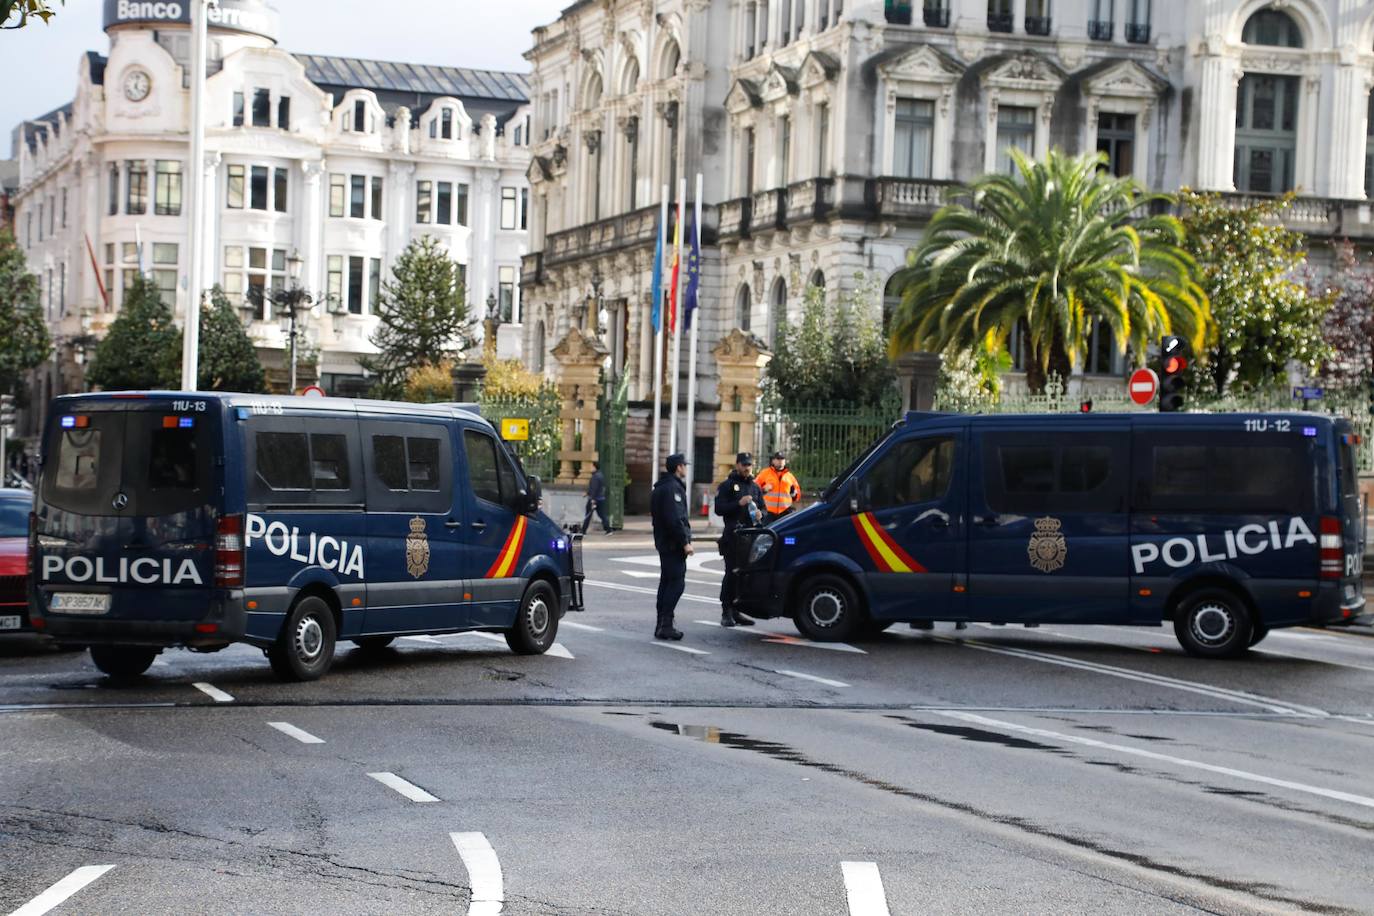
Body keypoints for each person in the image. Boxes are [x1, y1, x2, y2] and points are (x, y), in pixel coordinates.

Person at [713, 451, 764, 627]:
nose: (747, 468)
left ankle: (738, 610)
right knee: (731, 574)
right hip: (733, 537)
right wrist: (738, 503)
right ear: (737, 465)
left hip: (751, 538)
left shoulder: (755, 487)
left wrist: (760, 514)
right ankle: (726, 610)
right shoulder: (727, 485)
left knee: (745, 576)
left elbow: (764, 509)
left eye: (749, 465)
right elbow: (719, 508)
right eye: (744, 465)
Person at [650, 453, 693, 640]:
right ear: (678, 467)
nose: (685, 468)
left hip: (664, 542)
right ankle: (665, 624)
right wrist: (685, 543)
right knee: (676, 583)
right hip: (673, 544)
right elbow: (675, 519)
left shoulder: (661, 487)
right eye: (684, 465)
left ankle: (662, 623)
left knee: (666, 583)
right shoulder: (672, 489)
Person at [755, 450, 801, 520]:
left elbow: (797, 496)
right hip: (768, 512)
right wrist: (763, 489)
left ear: (785, 461)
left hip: (785, 512)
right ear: (773, 461)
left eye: (782, 459)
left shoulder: (790, 476)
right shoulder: (765, 473)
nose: (780, 461)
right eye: (778, 459)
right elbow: (753, 489)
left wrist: (793, 493)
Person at [582, 461, 611, 535]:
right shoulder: (600, 475)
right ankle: (609, 530)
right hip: (600, 499)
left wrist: (592, 499)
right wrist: (587, 493)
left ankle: (583, 530)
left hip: (594, 499)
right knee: (602, 515)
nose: (590, 468)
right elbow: (597, 488)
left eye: (591, 467)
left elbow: (594, 489)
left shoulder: (595, 477)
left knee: (588, 514)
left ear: (594, 467)